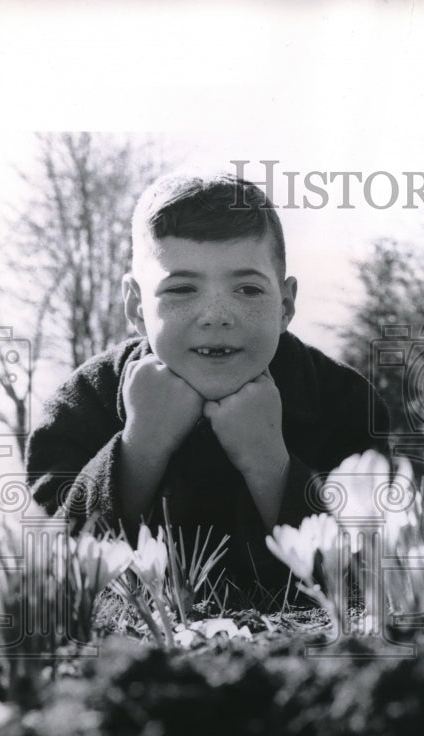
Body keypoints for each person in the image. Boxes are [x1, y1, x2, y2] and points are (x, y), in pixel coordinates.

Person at [25, 170, 389, 596]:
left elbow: (367, 574)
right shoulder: (85, 401)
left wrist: (271, 465)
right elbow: (57, 564)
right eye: (181, 290)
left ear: (285, 304)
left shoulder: (344, 403)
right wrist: (139, 449)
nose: (216, 315)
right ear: (135, 305)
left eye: (248, 290)